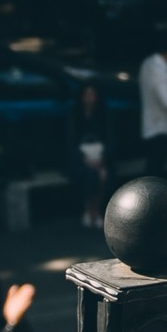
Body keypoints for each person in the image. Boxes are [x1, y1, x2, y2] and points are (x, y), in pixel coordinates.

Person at [69, 80, 111, 230]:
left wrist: (102, 158)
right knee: (91, 175)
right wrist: (84, 159)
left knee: (102, 175)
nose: (89, 98)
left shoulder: (102, 115)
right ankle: (89, 210)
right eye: (87, 94)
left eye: (92, 94)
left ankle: (95, 210)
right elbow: (71, 142)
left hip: (100, 157)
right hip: (81, 158)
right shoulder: (75, 115)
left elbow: (109, 139)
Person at [136, 40, 167, 172]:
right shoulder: (159, 68)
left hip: (151, 124)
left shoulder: (147, 63)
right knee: (157, 166)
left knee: (153, 165)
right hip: (160, 127)